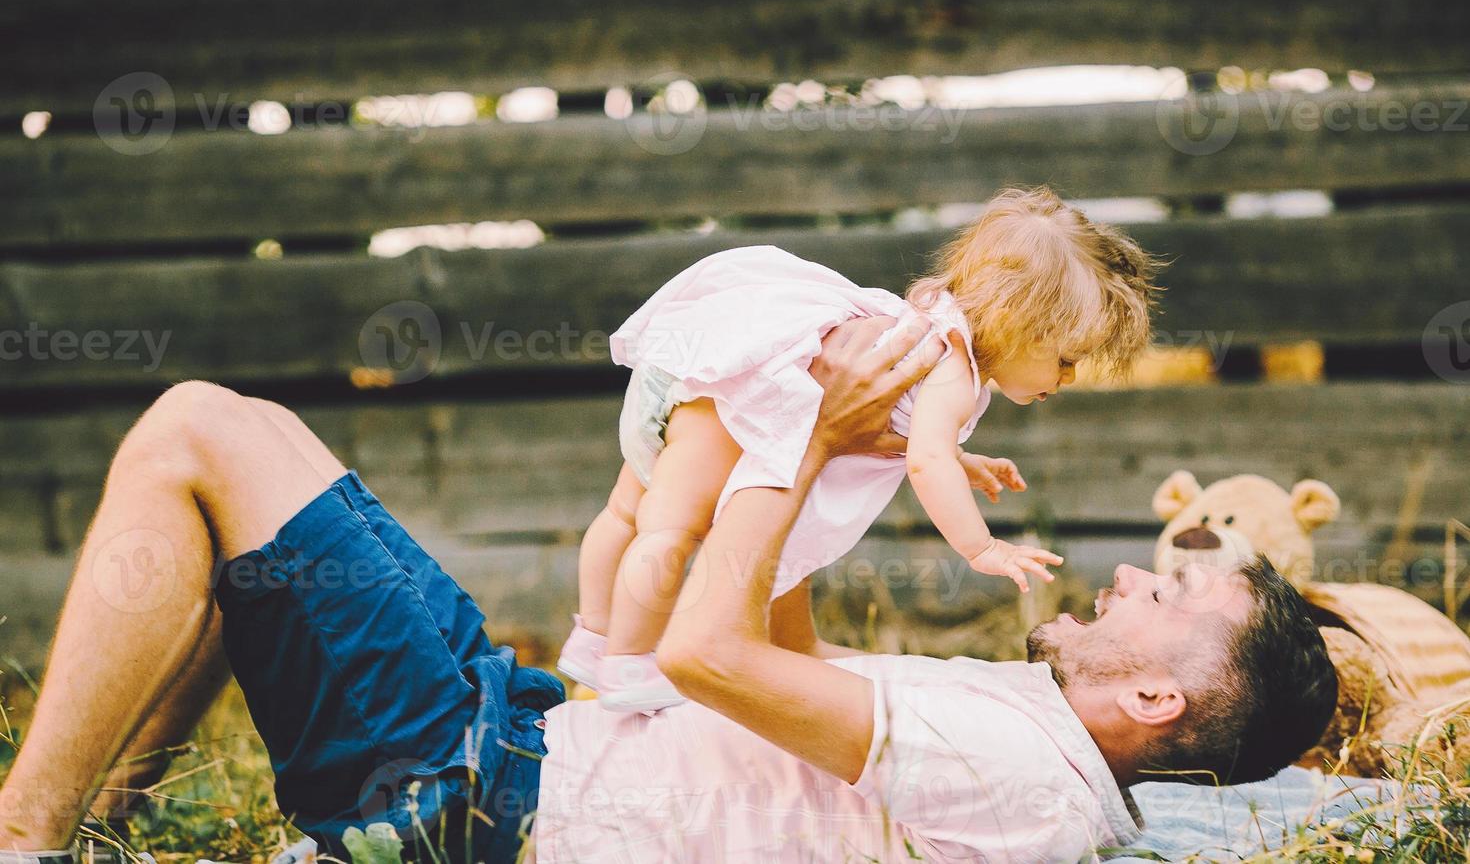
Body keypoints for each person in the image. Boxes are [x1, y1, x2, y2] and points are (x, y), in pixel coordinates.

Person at [0, 317, 1337, 864]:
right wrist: (835, 474)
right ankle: (108, 823)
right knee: (257, 447)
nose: (1124, 575)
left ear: (1157, 693)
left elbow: (706, 657)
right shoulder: (1024, 733)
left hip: (489, 798)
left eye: (1164, 596)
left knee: (196, 432)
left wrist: (801, 437)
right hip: (521, 743)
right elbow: (770, 659)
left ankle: (23, 838)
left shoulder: (1016, 768)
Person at [565, 186, 1159, 711]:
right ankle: (628, 664)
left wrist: (965, 463)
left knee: (625, 514)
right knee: (669, 531)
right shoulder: (953, 366)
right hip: (722, 419)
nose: (1069, 378)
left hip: (691, 385)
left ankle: (593, 636)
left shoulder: (936, 323)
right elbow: (927, 460)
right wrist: (981, 548)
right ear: (1020, 323)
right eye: (1065, 359)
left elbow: (918, 443)